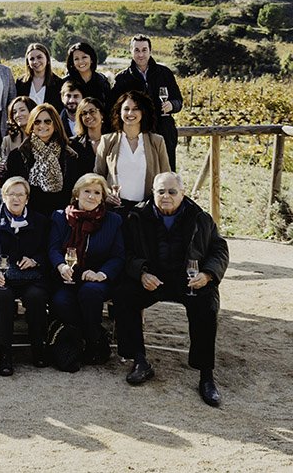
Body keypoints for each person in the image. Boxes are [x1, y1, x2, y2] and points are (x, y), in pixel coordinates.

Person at [115, 172, 229, 407]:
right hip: (152, 277)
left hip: (187, 278)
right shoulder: (136, 216)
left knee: (207, 304)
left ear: (182, 194)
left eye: (172, 192)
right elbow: (125, 253)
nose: (166, 196)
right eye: (161, 191)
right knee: (124, 294)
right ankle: (139, 360)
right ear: (153, 193)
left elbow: (219, 249)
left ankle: (205, 374)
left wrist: (207, 275)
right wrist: (141, 272)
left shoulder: (200, 217)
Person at [49, 173, 125, 368]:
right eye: (87, 191)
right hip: (68, 277)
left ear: (102, 197)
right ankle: (94, 335)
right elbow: (53, 248)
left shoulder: (113, 220)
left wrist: (101, 274)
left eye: (97, 193)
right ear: (76, 194)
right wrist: (61, 265)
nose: (91, 196)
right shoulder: (60, 217)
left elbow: (118, 256)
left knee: (89, 292)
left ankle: (91, 344)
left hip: (97, 279)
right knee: (60, 301)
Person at [0, 176, 49, 376]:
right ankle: (5, 354)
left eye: (20, 195)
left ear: (27, 198)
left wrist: (35, 260)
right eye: (11, 194)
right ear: (3, 197)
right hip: (2, 276)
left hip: (31, 276)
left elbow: (48, 250)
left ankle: (38, 347)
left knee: (36, 297)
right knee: (3, 297)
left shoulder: (41, 220)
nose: (16, 199)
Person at [111, 34, 183, 170]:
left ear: (150, 51)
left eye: (144, 50)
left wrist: (172, 105)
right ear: (131, 52)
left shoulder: (165, 73)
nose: (140, 54)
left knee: (166, 171)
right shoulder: (122, 78)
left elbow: (178, 100)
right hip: (135, 133)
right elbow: (114, 108)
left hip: (164, 131)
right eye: (136, 50)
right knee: (141, 173)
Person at [95, 90, 171, 206]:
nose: (130, 113)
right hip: (116, 208)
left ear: (143, 112)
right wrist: (107, 195)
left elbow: (166, 176)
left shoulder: (157, 141)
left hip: (147, 209)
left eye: (136, 109)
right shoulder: (107, 141)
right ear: (119, 112)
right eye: (126, 109)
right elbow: (98, 176)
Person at [6, 103, 81, 216]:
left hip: (63, 216)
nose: (42, 125)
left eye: (47, 121)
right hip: (31, 217)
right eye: (37, 122)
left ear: (55, 124)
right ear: (31, 125)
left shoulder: (71, 153)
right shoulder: (17, 155)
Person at [65, 41, 112, 111]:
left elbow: (109, 107)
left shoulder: (102, 81)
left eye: (84, 57)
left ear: (91, 59)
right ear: (72, 63)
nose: (81, 61)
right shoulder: (66, 82)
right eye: (76, 59)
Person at [0, 96, 38, 174]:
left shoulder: (42, 136)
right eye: (14, 112)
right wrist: (1, 167)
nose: (18, 115)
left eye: (22, 110)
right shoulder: (7, 140)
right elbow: (2, 162)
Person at [16, 42, 63, 109]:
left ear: (47, 59)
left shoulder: (58, 83)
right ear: (28, 62)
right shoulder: (20, 82)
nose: (35, 61)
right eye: (32, 59)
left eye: (39, 57)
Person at [69, 97, 105, 179]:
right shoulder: (73, 144)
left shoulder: (113, 140)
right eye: (84, 113)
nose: (88, 116)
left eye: (92, 111)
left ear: (101, 114)